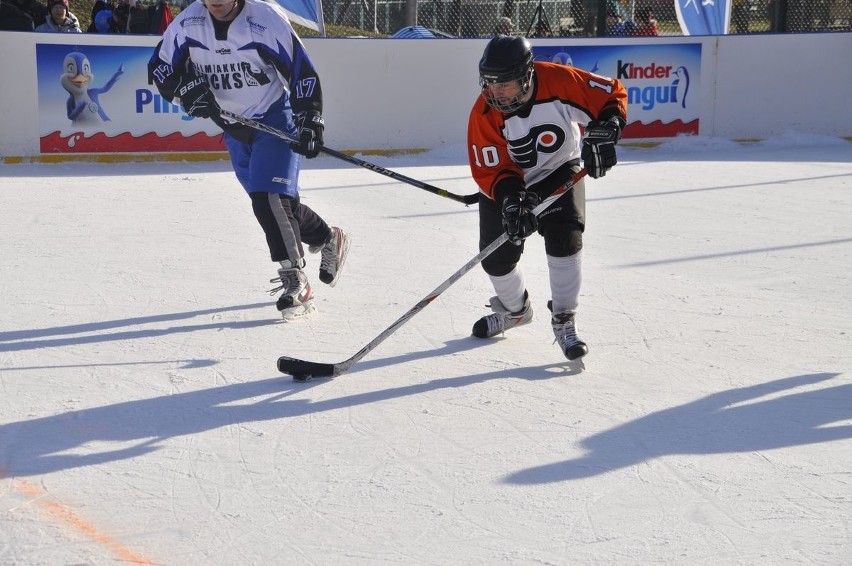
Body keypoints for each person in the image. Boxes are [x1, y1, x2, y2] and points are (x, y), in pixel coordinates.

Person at [148, 0, 350, 320]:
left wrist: (310, 119)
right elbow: (159, 68)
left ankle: (296, 282)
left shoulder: (264, 20)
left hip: (275, 120)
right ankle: (328, 237)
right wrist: (187, 94)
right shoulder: (188, 24)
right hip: (234, 129)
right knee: (280, 205)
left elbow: (301, 71)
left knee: (268, 198)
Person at [467, 35, 627, 360]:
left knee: (565, 239)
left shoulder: (559, 79)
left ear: (526, 76)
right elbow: (492, 169)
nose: (494, 93)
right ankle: (515, 311)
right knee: (496, 260)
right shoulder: (484, 112)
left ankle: (565, 318)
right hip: (509, 183)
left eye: (504, 85)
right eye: (490, 84)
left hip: (559, 169)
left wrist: (607, 128)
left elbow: (610, 93)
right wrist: (512, 199)